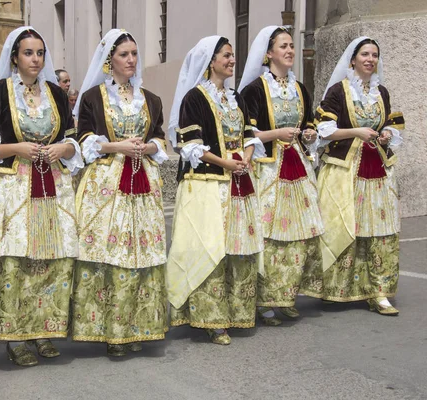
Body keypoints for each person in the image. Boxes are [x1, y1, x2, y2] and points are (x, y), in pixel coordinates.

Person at [0, 27, 83, 366]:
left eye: (40, 53)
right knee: (15, 261)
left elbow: (72, 140)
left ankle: (44, 330)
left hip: (52, 186)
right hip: (12, 187)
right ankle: (15, 336)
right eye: (28, 53)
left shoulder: (56, 94)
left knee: (52, 260)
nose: (35, 59)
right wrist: (15, 148)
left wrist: (61, 149)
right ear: (14, 57)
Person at [71, 29, 169, 357]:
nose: (131, 60)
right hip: (106, 183)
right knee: (110, 254)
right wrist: (119, 146)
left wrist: (148, 146)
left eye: (134, 54)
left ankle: (137, 326)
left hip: (143, 182)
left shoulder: (151, 99)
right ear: (109, 60)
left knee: (142, 254)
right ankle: (109, 329)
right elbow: (84, 139)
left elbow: (161, 139)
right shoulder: (93, 98)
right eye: (124, 54)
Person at [166, 36, 264, 345]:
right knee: (210, 247)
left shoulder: (236, 97)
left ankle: (237, 311)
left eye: (233, 56)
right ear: (211, 61)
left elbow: (250, 136)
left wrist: (245, 160)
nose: (232, 60)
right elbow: (192, 147)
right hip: (207, 183)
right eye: (226, 55)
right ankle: (212, 317)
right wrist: (227, 163)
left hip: (238, 181)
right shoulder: (194, 98)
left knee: (238, 247)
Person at [239, 26, 324, 325]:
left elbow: (308, 122)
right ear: (269, 53)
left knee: (298, 232)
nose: (290, 51)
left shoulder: (301, 88)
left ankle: (287, 295)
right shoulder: (253, 91)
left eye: (291, 46)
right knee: (271, 233)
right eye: (283, 46)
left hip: (296, 166)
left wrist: (310, 134)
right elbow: (248, 134)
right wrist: (277, 133)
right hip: (268, 169)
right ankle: (263, 300)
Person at [315, 37, 404, 315]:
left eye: (374, 55)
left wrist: (387, 133)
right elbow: (325, 130)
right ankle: (338, 289)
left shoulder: (381, 92)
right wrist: (356, 132)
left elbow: (389, 121)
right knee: (346, 225)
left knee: (380, 229)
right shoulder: (338, 92)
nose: (370, 59)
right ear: (352, 60)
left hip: (376, 169)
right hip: (346, 169)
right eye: (365, 54)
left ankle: (379, 291)